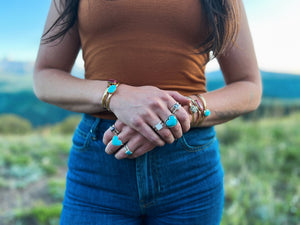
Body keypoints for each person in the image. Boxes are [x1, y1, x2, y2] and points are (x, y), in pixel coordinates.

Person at [33, 0, 262, 224]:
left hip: (190, 171)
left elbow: (248, 85)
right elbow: (45, 77)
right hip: (99, 166)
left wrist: (183, 112)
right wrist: (115, 95)